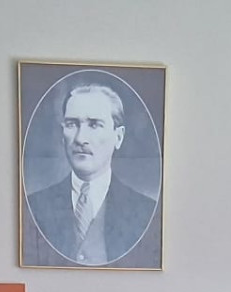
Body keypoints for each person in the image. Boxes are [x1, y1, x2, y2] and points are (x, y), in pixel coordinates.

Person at [24, 81, 159, 267]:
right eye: (72, 124)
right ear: (62, 135)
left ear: (118, 137)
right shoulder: (32, 207)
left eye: (94, 125)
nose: (80, 138)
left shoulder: (146, 212)